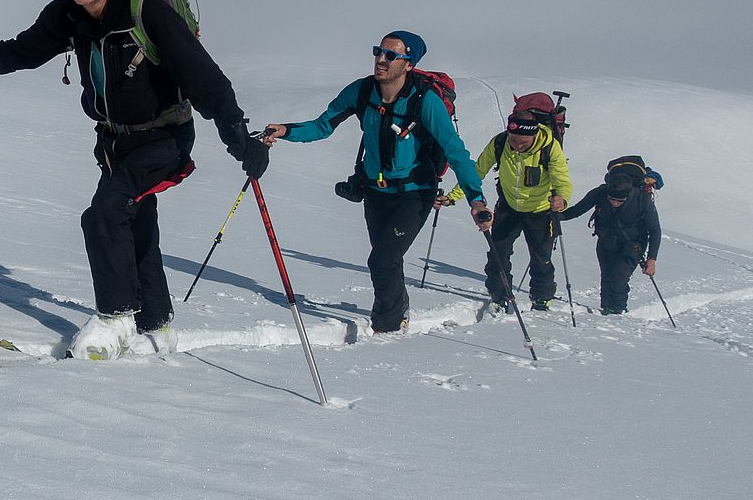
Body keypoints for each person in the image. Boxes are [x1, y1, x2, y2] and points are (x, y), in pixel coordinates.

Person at [0, 0, 269, 360]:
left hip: (165, 139)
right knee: (135, 224)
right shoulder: (67, 14)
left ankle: (114, 320)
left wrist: (240, 139)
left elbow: (206, 81)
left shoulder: (150, 11)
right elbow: (20, 52)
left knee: (104, 215)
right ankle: (156, 326)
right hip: (114, 144)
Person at [264, 32, 491, 333]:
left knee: (382, 259)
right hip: (375, 192)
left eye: (391, 55)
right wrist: (286, 130)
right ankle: (399, 308)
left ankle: (389, 327)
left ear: (409, 64)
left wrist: (476, 199)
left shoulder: (425, 101)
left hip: (414, 194)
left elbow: (456, 151)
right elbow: (323, 125)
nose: (381, 60)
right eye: (379, 52)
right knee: (388, 258)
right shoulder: (361, 91)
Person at [438, 112, 572, 311]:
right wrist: (453, 197)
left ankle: (542, 298)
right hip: (508, 208)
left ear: (534, 136)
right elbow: (477, 172)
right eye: (513, 140)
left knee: (541, 258)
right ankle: (499, 295)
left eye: (523, 142)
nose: (517, 145)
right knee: (498, 254)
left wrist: (562, 199)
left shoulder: (550, 147)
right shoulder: (500, 143)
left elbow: (562, 179)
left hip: (540, 211)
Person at [561, 161, 661, 315]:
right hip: (606, 241)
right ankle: (606, 311)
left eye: (619, 201)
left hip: (633, 244)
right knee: (607, 279)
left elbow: (654, 230)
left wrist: (652, 259)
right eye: (612, 199)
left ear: (627, 195)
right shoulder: (601, 192)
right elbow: (576, 211)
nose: (614, 203)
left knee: (618, 279)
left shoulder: (641, 198)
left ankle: (616, 313)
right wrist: (554, 215)